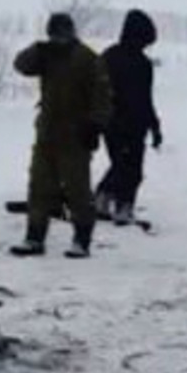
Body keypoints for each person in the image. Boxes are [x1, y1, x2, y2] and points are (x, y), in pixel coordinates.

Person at [10, 13, 113, 258]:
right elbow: (21, 65)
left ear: (70, 32)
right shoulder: (46, 56)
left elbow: (103, 97)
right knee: (38, 187)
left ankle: (82, 239)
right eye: (53, 34)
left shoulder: (87, 58)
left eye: (61, 33)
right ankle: (34, 238)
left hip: (76, 135)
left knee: (78, 190)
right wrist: (38, 49)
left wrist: (95, 126)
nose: (58, 38)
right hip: (47, 134)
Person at [96, 9, 163, 225]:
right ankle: (118, 205)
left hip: (120, 122)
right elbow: (144, 98)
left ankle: (106, 201)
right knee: (129, 168)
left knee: (122, 165)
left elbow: (145, 97)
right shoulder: (140, 64)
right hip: (124, 122)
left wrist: (154, 125)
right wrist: (153, 125)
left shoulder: (109, 56)